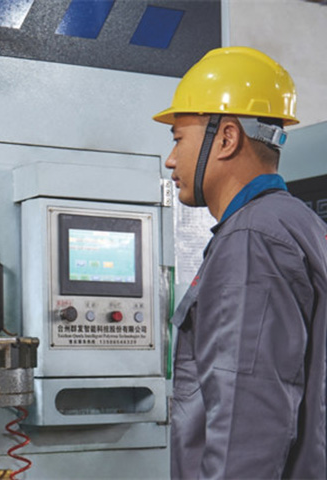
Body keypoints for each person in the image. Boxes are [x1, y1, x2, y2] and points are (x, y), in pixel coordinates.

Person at [153, 46, 327, 479]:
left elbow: (245, 425)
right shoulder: (296, 222)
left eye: (178, 139)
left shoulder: (252, 239)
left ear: (227, 138)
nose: (171, 159)